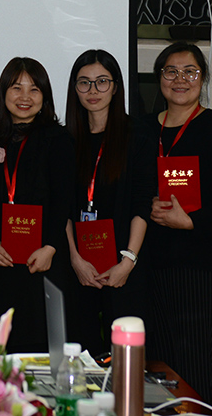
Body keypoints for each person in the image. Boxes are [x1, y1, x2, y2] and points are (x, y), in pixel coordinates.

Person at [140, 41, 212, 406]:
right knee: (153, 368)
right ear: (160, 78)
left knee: (191, 366)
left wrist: (190, 221)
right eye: (171, 71)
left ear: (203, 79)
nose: (180, 79)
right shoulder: (142, 130)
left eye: (190, 72)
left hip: (197, 268)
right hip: (148, 265)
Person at [0, 57, 73, 353]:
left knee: (40, 353)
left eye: (34, 89)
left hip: (42, 263)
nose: (25, 97)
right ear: (4, 93)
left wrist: (51, 247)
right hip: (0, 263)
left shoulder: (59, 139)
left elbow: (64, 199)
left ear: (45, 96)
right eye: (16, 88)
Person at [62, 49, 149, 354]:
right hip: (78, 269)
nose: (93, 90)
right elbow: (62, 209)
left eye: (102, 81)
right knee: (80, 355)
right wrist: (75, 259)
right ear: (75, 88)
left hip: (123, 268)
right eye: (84, 82)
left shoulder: (137, 135)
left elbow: (142, 204)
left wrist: (128, 261)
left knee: (124, 361)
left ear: (115, 87)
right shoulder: (66, 140)